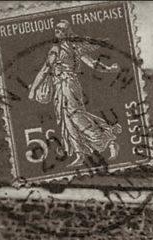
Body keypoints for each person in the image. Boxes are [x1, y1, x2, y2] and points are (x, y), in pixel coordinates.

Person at [28, 20, 122, 167]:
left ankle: (107, 140)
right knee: (66, 120)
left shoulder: (64, 49)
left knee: (75, 116)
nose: (57, 31)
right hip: (61, 87)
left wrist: (108, 69)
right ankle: (80, 154)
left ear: (67, 32)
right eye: (56, 29)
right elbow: (46, 70)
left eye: (61, 29)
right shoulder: (61, 48)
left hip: (68, 85)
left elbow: (90, 63)